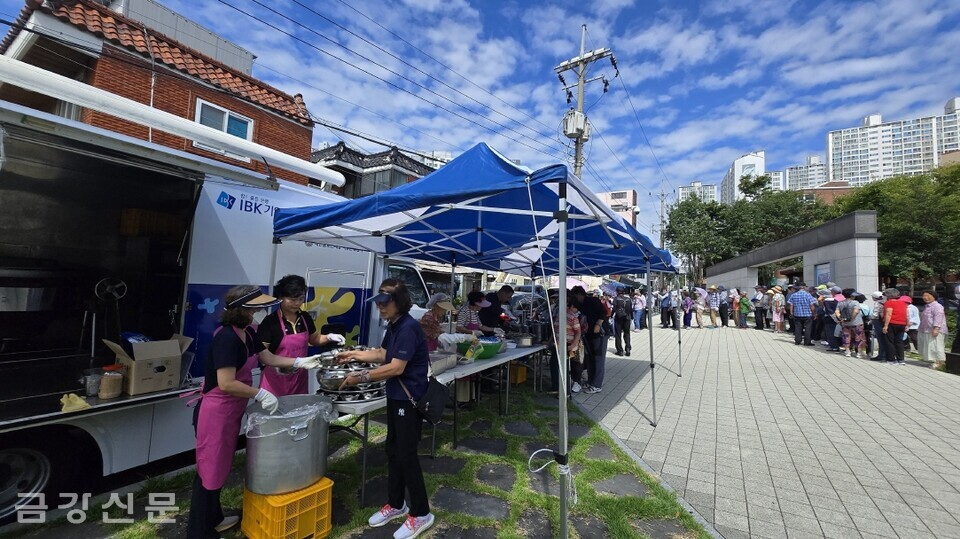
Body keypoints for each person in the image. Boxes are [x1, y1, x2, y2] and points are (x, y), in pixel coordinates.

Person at [188, 285, 323, 538]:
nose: (260, 312)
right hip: (215, 412)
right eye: (256, 308)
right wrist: (259, 393)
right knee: (209, 470)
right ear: (243, 310)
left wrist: (298, 362)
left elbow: (268, 358)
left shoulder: (247, 333)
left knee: (220, 468)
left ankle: (214, 518)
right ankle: (199, 531)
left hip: (231, 411)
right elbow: (226, 382)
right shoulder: (226, 338)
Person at [336, 279, 435, 538]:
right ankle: (396, 503)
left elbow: (395, 367)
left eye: (384, 302)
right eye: (378, 303)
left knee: (407, 454)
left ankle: (421, 513)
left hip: (409, 399)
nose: (380, 307)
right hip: (396, 397)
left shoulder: (408, 327)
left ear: (399, 301)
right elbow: (382, 354)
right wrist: (353, 356)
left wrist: (361, 378)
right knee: (393, 450)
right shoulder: (394, 325)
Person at [257, 275, 345, 396]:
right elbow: (263, 356)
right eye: (292, 299)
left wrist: (328, 337)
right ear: (281, 297)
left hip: (299, 380)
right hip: (276, 381)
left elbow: (314, 339)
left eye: (301, 299)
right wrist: (281, 366)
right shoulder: (270, 323)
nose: (297, 303)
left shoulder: (305, 318)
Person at [570, 286, 607, 394]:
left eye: (575, 296)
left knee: (598, 359)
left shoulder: (593, 301)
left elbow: (603, 312)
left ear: (580, 294)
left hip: (600, 334)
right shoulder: (580, 305)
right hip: (588, 335)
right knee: (590, 359)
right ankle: (591, 381)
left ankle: (597, 385)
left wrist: (598, 324)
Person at [551, 294, 582, 394]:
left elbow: (578, 332)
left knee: (563, 367)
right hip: (559, 344)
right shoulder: (561, 314)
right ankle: (557, 388)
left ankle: (565, 391)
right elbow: (555, 329)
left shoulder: (572, 317)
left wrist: (573, 345)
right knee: (555, 364)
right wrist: (549, 341)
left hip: (567, 345)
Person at [918, 290, 948, 367]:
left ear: (934, 297)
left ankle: (940, 362)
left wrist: (936, 328)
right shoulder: (927, 306)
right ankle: (935, 360)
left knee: (937, 346)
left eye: (928, 296)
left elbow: (938, 317)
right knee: (931, 346)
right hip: (927, 329)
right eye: (924, 296)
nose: (925, 297)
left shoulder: (937, 306)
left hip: (935, 329)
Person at [835, 289, 864, 358]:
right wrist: (851, 318)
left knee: (846, 336)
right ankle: (858, 352)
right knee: (858, 336)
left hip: (845, 323)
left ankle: (847, 351)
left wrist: (841, 319)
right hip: (857, 323)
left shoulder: (840, 303)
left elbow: (836, 311)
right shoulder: (855, 302)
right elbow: (856, 311)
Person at [882, 288, 908, 365]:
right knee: (899, 341)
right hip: (902, 323)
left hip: (892, 323)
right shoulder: (903, 303)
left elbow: (889, 314)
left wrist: (885, 326)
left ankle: (891, 359)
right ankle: (901, 359)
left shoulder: (889, 303)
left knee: (890, 341)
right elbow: (907, 314)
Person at [612, 289, 633, 355]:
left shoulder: (616, 299)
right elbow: (631, 309)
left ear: (617, 292)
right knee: (627, 333)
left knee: (618, 334)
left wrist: (611, 315)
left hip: (619, 318)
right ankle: (628, 349)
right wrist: (631, 317)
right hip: (627, 318)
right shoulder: (628, 299)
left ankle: (620, 350)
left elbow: (614, 309)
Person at [870, 291, 887, 361]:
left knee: (880, 339)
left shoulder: (877, 303)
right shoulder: (885, 301)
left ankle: (881, 356)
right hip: (885, 321)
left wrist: (870, 319)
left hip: (878, 321)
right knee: (885, 339)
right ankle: (885, 355)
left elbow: (875, 314)